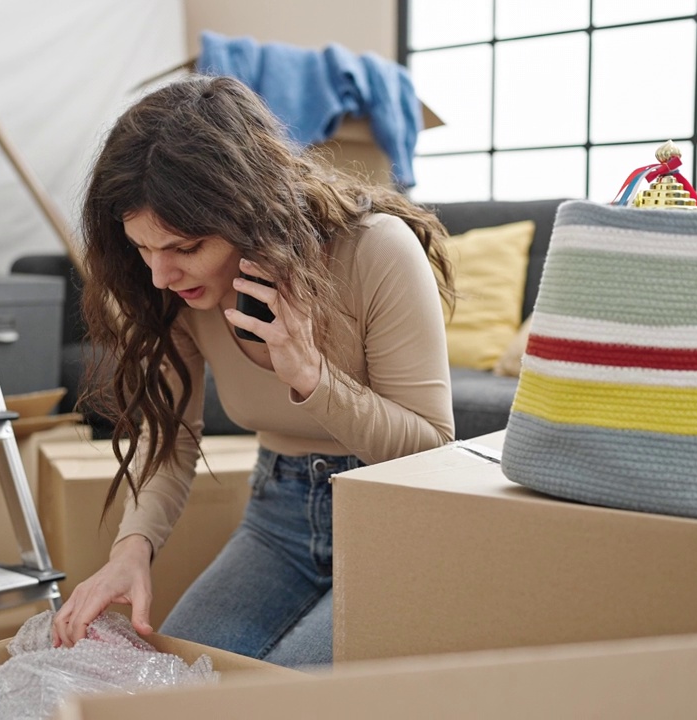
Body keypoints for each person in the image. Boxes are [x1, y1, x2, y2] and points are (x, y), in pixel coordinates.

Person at [51, 75, 455, 667]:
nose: (160, 275)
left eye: (185, 248)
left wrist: (313, 379)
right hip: (279, 517)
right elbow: (172, 435)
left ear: (250, 214)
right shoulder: (167, 290)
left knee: (282, 696)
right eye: (143, 248)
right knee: (178, 684)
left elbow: (433, 448)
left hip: (395, 522)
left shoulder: (376, 251)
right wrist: (130, 550)